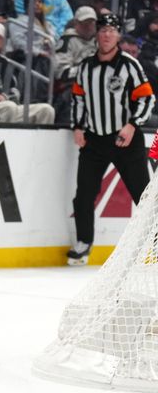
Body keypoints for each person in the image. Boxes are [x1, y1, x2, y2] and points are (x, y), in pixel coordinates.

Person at [68, 14, 156, 265]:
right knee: (83, 195)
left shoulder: (129, 64)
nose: (106, 34)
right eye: (103, 30)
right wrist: (77, 127)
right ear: (97, 34)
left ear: (118, 35)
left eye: (112, 30)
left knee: (143, 195)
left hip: (126, 140)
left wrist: (132, 124)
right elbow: (78, 99)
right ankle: (84, 243)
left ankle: (156, 242)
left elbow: (146, 98)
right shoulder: (86, 67)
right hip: (94, 140)